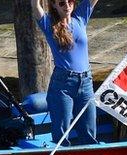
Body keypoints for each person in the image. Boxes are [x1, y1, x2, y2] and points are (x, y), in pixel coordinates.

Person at [31, 0, 100, 146]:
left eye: (70, 2)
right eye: (62, 3)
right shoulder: (48, 24)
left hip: (86, 82)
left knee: (89, 132)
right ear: (54, 5)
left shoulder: (80, 17)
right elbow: (35, 6)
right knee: (61, 135)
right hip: (63, 84)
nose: (67, 6)